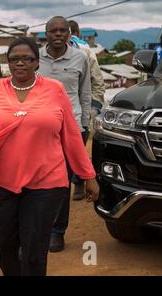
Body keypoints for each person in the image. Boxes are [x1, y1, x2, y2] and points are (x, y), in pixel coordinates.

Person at [0, 37, 99, 276]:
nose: (20, 63)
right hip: (2, 182)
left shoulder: (55, 90)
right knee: (4, 246)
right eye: (14, 59)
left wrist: (87, 175)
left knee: (33, 250)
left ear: (37, 63)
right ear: (7, 63)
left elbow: (72, 136)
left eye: (27, 59)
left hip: (46, 181)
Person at [38, 16, 92, 253]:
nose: (58, 34)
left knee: (62, 181)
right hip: (38, 129)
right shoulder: (34, 57)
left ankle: (57, 231)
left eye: (63, 31)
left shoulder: (81, 57)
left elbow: (85, 92)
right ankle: (36, 227)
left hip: (71, 129)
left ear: (69, 34)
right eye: (53, 31)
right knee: (37, 179)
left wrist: (85, 123)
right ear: (46, 34)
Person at [68, 20, 106, 200]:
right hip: (58, 108)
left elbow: (97, 81)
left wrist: (93, 108)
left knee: (79, 144)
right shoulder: (47, 56)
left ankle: (78, 182)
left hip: (82, 108)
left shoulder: (85, 52)